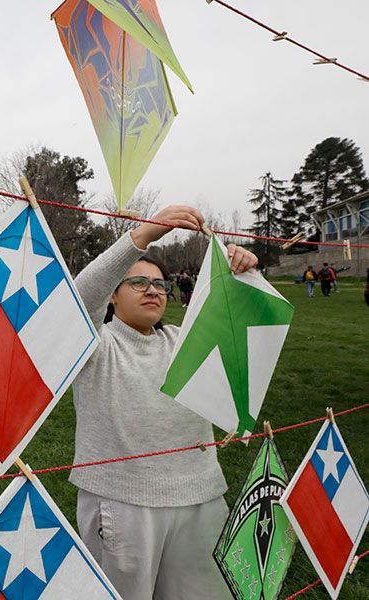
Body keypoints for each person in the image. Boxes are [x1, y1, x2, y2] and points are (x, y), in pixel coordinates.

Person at [71, 205, 258, 600]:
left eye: (159, 283)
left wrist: (244, 272)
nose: (153, 289)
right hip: (123, 505)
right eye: (137, 282)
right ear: (112, 297)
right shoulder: (95, 345)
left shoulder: (185, 341)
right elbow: (79, 294)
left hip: (202, 501)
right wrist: (142, 236)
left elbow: (243, 323)